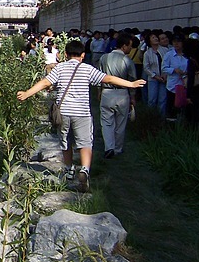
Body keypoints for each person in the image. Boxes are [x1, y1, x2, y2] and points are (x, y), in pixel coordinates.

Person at [17, 40, 145, 193]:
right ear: (83, 55)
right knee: (85, 143)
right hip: (82, 113)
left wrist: (26, 94)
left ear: (65, 54)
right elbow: (108, 79)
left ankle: (69, 169)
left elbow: (45, 82)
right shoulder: (87, 69)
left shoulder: (60, 68)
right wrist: (131, 84)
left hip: (63, 112)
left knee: (66, 142)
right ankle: (84, 170)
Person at [98, 33, 137, 158]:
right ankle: (117, 148)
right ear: (124, 46)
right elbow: (132, 79)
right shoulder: (127, 61)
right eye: (130, 46)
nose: (130, 49)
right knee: (120, 123)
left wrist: (99, 91)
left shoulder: (104, 58)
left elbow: (99, 76)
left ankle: (108, 147)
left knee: (106, 121)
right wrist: (133, 97)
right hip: (122, 93)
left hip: (107, 92)